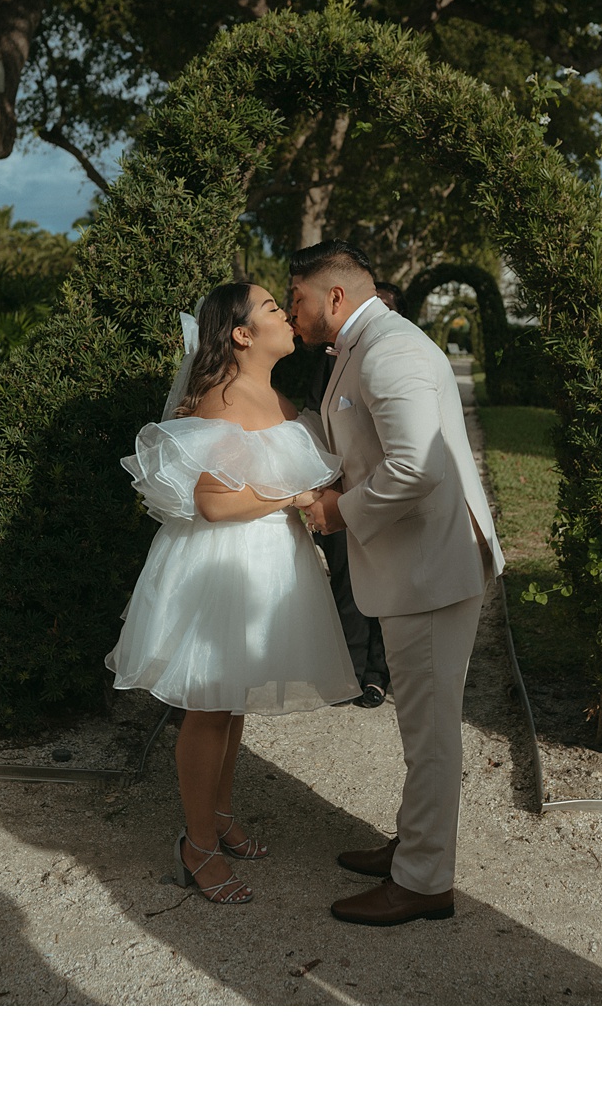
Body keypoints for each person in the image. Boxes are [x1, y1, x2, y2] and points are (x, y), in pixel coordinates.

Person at [105, 282, 360, 905]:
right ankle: (195, 845)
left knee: (233, 698)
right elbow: (215, 505)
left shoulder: (275, 397)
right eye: (273, 308)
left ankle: (217, 813)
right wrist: (295, 498)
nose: (285, 315)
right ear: (242, 334)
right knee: (210, 705)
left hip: (269, 562)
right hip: (222, 565)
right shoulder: (220, 401)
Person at [289, 240, 505, 926]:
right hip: (414, 564)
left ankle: (422, 883)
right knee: (420, 727)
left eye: (295, 299)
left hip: (431, 570)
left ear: (333, 298)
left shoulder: (390, 351)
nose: (291, 313)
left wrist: (336, 510)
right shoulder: (364, 345)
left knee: (432, 731)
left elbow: (416, 468)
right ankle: (414, 847)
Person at [301, 278, 406, 709]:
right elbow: (313, 418)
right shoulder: (329, 360)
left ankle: (379, 673)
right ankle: (351, 670)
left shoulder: (396, 357)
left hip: (383, 495)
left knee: (387, 583)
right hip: (339, 493)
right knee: (344, 581)